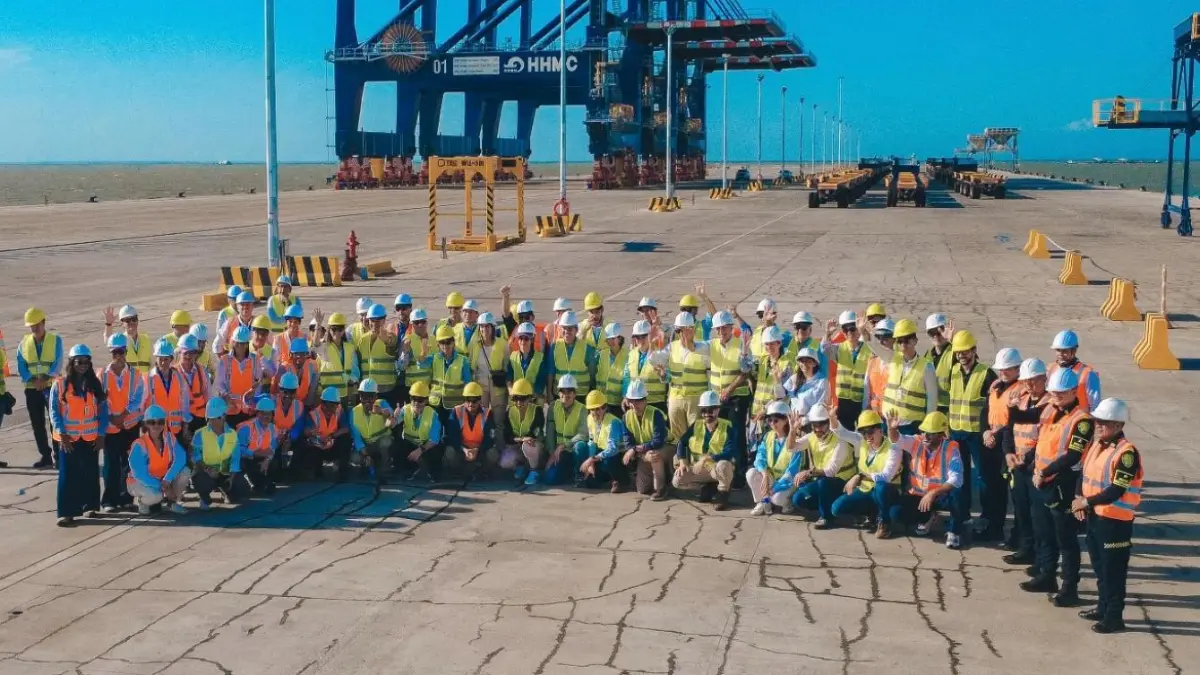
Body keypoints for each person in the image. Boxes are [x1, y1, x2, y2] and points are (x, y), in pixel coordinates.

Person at [1015, 367, 1092, 607]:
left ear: (1073, 391)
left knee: (1065, 539)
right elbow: (1032, 428)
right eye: (1054, 392)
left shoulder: (1082, 421)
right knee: (1043, 531)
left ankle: (1069, 588)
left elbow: (1073, 455)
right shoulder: (1049, 408)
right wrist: (1012, 407)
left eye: (1061, 393)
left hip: (1064, 482)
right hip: (1042, 481)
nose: (1056, 397)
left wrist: (1045, 472)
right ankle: (1047, 575)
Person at [1072, 398, 1143, 634]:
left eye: (1104, 422)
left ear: (1118, 425)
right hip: (1096, 517)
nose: (1098, 425)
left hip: (1115, 522)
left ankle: (1114, 617)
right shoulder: (1097, 445)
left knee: (1113, 573)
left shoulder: (1126, 453)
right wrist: (1078, 498)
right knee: (1100, 568)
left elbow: (1117, 489)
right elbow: (1083, 474)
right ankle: (1102, 608)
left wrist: (1086, 502)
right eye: (1097, 421)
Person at [946, 331, 1003, 541]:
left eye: (965, 351)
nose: (961, 355)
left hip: (977, 435)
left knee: (984, 478)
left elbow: (995, 405)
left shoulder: (986, 374)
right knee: (959, 477)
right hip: (956, 432)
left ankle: (987, 518)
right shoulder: (953, 371)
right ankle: (962, 515)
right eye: (958, 352)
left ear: (974, 351)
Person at [890, 410, 968, 549]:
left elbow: (956, 479)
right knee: (895, 513)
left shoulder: (951, 449)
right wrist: (892, 429)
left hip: (940, 496)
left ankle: (955, 531)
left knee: (958, 494)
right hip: (919, 495)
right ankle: (926, 518)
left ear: (941, 435)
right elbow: (897, 439)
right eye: (924, 431)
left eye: (930, 433)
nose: (925, 436)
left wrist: (933, 493)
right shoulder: (916, 441)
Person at [49, 345, 108, 527]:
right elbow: (54, 411)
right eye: (79, 361)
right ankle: (66, 513)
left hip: (90, 437)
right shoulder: (60, 385)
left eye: (86, 362)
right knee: (68, 474)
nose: (83, 365)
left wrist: (101, 435)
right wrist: (62, 433)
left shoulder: (94, 384)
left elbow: (103, 411)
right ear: (71, 363)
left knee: (90, 472)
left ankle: (90, 507)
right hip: (69, 438)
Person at [1003, 358, 1050, 567]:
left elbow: (1045, 439)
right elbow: (1009, 428)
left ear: (1044, 379)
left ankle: (1040, 556)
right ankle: (1026, 548)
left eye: (1034, 380)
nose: (1030, 385)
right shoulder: (1021, 401)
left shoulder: (1049, 404)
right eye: (1026, 381)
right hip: (1017, 465)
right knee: (1021, 509)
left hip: (1035, 467)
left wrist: (1026, 459)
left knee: (1038, 515)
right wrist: (1008, 453)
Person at [830, 410, 904, 538]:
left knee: (881, 487)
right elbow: (841, 432)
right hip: (867, 490)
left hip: (888, 492)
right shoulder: (862, 441)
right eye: (863, 432)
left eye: (870, 431)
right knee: (837, 508)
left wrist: (859, 476)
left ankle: (885, 523)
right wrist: (832, 417)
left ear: (880, 430)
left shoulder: (893, 448)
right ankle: (871, 513)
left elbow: (886, 477)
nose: (867, 436)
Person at [983, 348, 1026, 555]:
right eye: (1001, 369)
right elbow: (986, 412)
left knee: (1016, 494)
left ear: (1018, 369)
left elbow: (1014, 422)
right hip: (992, 445)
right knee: (995, 491)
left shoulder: (1021, 391)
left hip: (1009, 446)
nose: (1003, 373)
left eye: (1007, 369)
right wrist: (985, 432)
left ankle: (1018, 536)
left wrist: (995, 436)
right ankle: (994, 527)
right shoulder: (995, 388)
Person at [787, 403, 856, 528]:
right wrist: (792, 431)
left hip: (844, 483)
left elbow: (831, 471)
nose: (818, 428)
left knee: (824, 482)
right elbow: (791, 448)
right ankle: (827, 506)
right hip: (822, 481)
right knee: (799, 498)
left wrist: (808, 473)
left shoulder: (840, 440)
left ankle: (827, 517)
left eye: (821, 424)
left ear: (829, 423)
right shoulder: (812, 437)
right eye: (814, 425)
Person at [99, 334, 145, 513]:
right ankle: (109, 501)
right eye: (115, 353)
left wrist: (123, 415)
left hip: (129, 425)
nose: (118, 356)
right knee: (111, 465)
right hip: (111, 427)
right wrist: (111, 417)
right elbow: (99, 400)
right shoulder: (102, 375)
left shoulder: (135, 375)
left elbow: (137, 398)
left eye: (121, 352)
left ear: (126, 352)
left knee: (128, 464)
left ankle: (126, 498)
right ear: (111, 353)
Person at [673, 390, 736, 509]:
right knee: (678, 480)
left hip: (717, 469)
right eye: (704, 410)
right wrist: (682, 462)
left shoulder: (728, 427)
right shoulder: (696, 425)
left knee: (723, 465)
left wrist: (706, 458)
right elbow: (682, 442)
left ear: (718, 409)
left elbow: (729, 453)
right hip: (700, 469)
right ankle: (709, 488)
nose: (707, 414)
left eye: (711, 410)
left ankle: (723, 492)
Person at [18, 307, 64, 468]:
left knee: (55, 422)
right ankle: (45, 455)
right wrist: (32, 379)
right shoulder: (24, 343)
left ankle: (58, 456)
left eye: (36, 324)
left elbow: (58, 362)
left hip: (50, 387)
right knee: (37, 424)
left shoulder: (55, 340)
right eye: (31, 325)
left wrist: (46, 378)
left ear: (43, 322)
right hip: (32, 389)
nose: (34, 328)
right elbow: (21, 365)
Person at [875, 319, 937, 435]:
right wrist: (864, 333)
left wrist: (928, 427)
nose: (903, 344)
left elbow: (932, 401)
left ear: (915, 341)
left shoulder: (927, 367)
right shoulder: (892, 358)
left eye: (906, 340)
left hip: (911, 426)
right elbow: (876, 348)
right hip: (888, 422)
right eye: (899, 341)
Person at [127, 405, 191, 515]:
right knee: (156, 496)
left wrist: (167, 479)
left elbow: (181, 458)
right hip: (140, 482)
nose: (156, 425)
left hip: (162, 480)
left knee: (185, 471)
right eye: (152, 422)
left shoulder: (170, 438)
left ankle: (172, 503)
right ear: (146, 424)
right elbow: (139, 474)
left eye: (160, 422)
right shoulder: (140, 444)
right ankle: (143, 502)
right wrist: (163, 487)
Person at [708, 310, 753, 464]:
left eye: (724, 327)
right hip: (718, 399)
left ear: (731, 327)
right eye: (718, 328)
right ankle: (724, 468)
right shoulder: (712, 345)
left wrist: (729, 389)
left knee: (737, 434)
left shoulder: (741, 345)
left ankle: (740, 471)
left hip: (737, 398)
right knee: (721, 435)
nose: (721, 331)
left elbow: (746, 372)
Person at [191, 398, 246, 509]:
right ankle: (204, 497)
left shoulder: (232, 434)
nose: (213, 421)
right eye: (210, 418)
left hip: (225, 471)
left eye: (217, 418)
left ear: (223, 417)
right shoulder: (199, 434)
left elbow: (235, 459)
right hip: (207, 472)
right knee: (200, 479)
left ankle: (226, 491)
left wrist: (232, 477)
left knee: (241, 487)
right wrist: (207, 468)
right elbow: (195, 457)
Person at [746, 401, 799, 515]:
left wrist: (774, 489)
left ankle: (787, 503)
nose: (772, 423)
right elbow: (760, 457)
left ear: (786, 420)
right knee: (751, 473)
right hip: (771, 478)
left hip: (788, 482)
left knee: (777, 499)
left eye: (776, 420)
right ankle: (763, 502)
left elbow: (792, 472)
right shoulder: (768, 436)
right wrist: (764, 474)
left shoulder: (796, 441)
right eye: (769, 420)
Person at [622, 380, 671, 500]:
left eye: (639, 400)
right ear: (627, 401)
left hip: (667, 447)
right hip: (644, 451)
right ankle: (662, 476)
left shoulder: (656, 414)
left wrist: (637, 449)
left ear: (645, 400)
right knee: (642, 489)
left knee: (654, 455)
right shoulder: (626, 417)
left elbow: (658, 441)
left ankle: (661, 489)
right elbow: (628, 443)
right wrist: (641, 454)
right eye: (632, 401)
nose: (635, 404)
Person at [823, 311, 872, 430]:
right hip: (843, 403)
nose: (849, 332)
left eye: (852, 328)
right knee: (844, 434)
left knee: (863, 433)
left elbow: (875, 345)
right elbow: (824, 349)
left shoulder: (868, 348)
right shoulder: (840, 348)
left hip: (862, 401)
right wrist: (828, 334)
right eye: (845, 330)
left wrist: (864, 331)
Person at [666, 312, 709, 442]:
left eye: (685, 330)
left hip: (695, 400)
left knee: (696, 436)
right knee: (678, 437)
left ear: (692, 330)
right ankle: (680, 455)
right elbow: (655, 359)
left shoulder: (703, 348)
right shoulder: (672, 347)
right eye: (679, 331)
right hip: (676, 398)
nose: (681, 334)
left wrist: (691, 346)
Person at [395, 381, 446, 483]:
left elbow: (434, 440)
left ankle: (433, 473)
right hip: (410, 445)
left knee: (437, 450)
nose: (416, 403)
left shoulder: (433, 414)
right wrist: (392, 417)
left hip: (425, 447)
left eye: (420, 400)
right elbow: (391, 424)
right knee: (397, 446)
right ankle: (408, 471)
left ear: (426, 400)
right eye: (413, 399)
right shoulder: (404, 410)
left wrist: (420, 450)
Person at [579, 390, 629, 491]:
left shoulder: (613, 422)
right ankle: (607, 481)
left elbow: (613, 449)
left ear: (605, 407)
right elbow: (592, 442)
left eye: (597, 409)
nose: (594, 412)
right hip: (601, 454)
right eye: (592, 409)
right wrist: (591, 463)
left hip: (617, 457)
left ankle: (620, 481)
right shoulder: (590, 419)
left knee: (608, 461)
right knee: (590, 483)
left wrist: (593, 459)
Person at [350, 378, 395, 490]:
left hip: (380, 443)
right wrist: (366, 455)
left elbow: (391, 414)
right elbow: (357, 439)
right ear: (360, 397)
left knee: (385, 442)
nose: (367, 400)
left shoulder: (382, 403)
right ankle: (369, 464)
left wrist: (381, 412)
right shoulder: (354, 412)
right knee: (355, 457)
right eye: (363, 396)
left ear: (376, 396)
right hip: (366, 445)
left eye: (370, 396)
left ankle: (384, 470)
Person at [468, 312, 509, 436]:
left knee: (499, 421)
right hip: (480, 387)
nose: (484, 329)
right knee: (482, 420)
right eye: (481, 326)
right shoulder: (474, 344)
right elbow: (471, 365)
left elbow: (507, 366)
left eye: (487, 326)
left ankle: (499, 445)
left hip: (498, 387)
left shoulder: (502, 344)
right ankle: (484, 445)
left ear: (492, 327)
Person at [146, 340, 193, 443]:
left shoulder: (179, 378)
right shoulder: (148, 378)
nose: (163, 362)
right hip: (156, 430)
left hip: (175, 430)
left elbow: (185, 403)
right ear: (156, 358)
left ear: (171, 359)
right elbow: (143, 405)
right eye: (160, 359)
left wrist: (185, 425)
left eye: (166, 359)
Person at [445, 382, 495, 478]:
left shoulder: (488, 413)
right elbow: (452, 436)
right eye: (468, 400)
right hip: (461, 449)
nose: (471, 404)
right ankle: (458, 472)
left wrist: (478, 450)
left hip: (480, 450)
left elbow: (490, 438)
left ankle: (482, 472)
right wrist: (464, 450)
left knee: (493, 454)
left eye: (474, 400)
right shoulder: (456, 411)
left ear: (480, 400)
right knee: (449, 452)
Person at [544, 375, 588, 485]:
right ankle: (568, 472)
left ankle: (579, 474)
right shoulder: (553, 406)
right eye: (562, 391)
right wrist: (552, 453)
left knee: (581, 446)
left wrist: (564, 445)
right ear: (558, 393)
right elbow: (550, 432)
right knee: (549, 479)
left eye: (569, 391)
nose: (565, 394)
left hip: (574, 450)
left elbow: (583, 434)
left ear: (575, 394)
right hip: (560, 452)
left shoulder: (582, 409)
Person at [215, 326, 262, 428]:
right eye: (237, 343)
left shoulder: (255, 360)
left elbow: (258, 383)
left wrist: (255, 401)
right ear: (233, 343)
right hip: (229, 410)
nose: (240, 346)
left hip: (248, 409)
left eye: (243, 343)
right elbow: (219, 384)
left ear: (247, 344)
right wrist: (226, 397)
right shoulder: (224, 360)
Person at [500, 378, 544, 485]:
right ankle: (522, 466)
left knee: (528, 444)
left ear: (529, 398)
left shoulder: (537, 410)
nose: (519, 402)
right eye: (515, 398)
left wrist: (524, 440)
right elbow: (506, 436)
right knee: (505, 462)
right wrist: (521, 439)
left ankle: (534, 471)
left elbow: (535, 434)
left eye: (523, 398)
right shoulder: (509, 411)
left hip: (535, 446)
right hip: (518, 444)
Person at [301, 387, 352, 481]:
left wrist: (332, 436)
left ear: (337, 405)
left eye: (333, 406)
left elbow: (346, 429)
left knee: (346, 439)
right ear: (322, 404)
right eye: (326, 406)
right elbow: (305, 431)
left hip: (332, 445)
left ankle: (343, 472)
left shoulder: (339, 410)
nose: (329, 409)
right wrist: (311, 432)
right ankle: (316, 470)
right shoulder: (313, 414)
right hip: (318, 448)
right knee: (307, 445)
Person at [357, 303, 400, 406]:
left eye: (378, 320)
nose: (375, 323)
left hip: (386, 390)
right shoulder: (363, 339)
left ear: (384, 320)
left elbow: (392, 345)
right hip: (368, 390)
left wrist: (387, 341)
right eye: (372, 320)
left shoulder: (390, 337)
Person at [749, 326, 792, 427]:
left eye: (772, 343)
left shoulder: (786, 365)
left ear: (779, 343)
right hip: (757, 413)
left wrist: (765, 410)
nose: (769, 347)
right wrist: (745, 353)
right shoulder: (762, 361)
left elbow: (783, 395)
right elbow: (748, 371)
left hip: (774, 416)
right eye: (766, 344)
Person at [1049, 330, 1101, 412]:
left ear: (1074, 350)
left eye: (1065, 351)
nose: (1060, 354)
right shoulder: (1051, 369)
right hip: (1056, 417)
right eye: (1058, 350)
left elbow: (1095, 404)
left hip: (1079, 418)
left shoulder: (1088, 374)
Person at [315, 312, 360, 407]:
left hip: (344, 395)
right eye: (334, 329)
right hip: (327, 397)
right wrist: (318, 325)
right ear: (329, 330)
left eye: (340, 329)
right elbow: (316, 345)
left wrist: (351, 378)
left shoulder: (349, 348)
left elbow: (355, 371)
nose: (337, 332)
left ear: (344, 330)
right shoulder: (324, 348)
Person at [237, 397, 280, 495]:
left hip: (261, 460)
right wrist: (254, 453)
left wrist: (267, 461)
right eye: (263, 413)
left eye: (269, 414)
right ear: (257, 414)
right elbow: (238, 449)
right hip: (246, 460)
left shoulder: (273, 429)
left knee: (274, 465)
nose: (266, 416)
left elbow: (272, 449)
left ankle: (260, 482)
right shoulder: (246, 428)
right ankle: (245, 480)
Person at [430, 325, 472, 422]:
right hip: (436, 404)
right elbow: (421, 364)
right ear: (438, 344)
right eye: (442, 342)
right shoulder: (434, 358)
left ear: (453, 342)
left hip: (455, 406)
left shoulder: (463, 361)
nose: (445, 346)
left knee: (452, 430)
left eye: (448, 342)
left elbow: (468, 384)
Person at [623, 320, 668, 413]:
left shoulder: (659, 353)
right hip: (635, 402)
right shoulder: (631, 354)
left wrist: (663, 376)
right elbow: (627, 377)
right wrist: (626, 395)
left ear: (650, 336)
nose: (640, 340)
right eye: (637, 337)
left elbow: (668, 377)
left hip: (656, 402)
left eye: (643, 336)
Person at [175, 335, 211, 436]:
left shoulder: (202, 370)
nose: (188, 356)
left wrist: (210, 417)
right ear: (179, 352)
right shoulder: (173, 373)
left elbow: (208, 394)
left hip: (201, 419)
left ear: (196, 354)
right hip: (181, 420)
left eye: (192, 353)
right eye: (185, 353)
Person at [102, 304, 153, 373]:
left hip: (144, 379)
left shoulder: (145, 339)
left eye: (134, 319)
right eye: (127, 320)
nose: (131, 322)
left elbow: (151, 363)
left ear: (137, 320)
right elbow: (108, 341)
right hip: (128, 378)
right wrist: (108, 324)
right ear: (122, 323)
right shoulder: (120, 340)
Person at [273, 372, 307, 475]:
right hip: (274, 439)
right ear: (279, 390)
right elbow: (249, 401)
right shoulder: (271, 401)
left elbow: (299, 426)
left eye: (292, 392)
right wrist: (279, 437)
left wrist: (290, 438)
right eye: (285, 392)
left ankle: (294, 472)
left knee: (302, 443)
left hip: (289, 439)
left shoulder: (299, 406)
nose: (288, 395)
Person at [273, 338, 320, 410]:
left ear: (307, 355)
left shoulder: (313, 366)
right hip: (284, 405)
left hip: (304, 405)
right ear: (291, 355)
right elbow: (279, 394)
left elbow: (312, 391)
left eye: (302, 355)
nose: (299, 358)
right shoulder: (284, 368)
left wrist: (306, 408)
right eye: (296, 355)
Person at [507, 323, 547, 404]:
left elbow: (541, 381)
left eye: (526, 339)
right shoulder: (512, 356)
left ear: (532, 340)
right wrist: (511, 391)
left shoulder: (540, 358)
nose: (522, 342)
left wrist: (528, 397)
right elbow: (509, 378)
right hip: (517, 396)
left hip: (533, 397)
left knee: (540, 402)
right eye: (520, 338)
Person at [782, 347, 828, 419]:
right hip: (793, 421)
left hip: (812, 422)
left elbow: (821, 406)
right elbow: (782, 397)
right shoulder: (794, 378)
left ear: (815, 363)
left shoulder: (822, 382)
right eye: (801, 361)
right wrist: (777, 381)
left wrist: (803, 420)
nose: (804, 364)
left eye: (808, 361)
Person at [401, 308, 434, 405]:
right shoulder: (407, 341)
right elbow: (401, 367)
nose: (420, 325)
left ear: (426, 322)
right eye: (417, 322)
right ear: (411, 324)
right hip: (412, 388)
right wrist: (405, 352)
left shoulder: (434, 340)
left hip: (428, 387)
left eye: (423, 322)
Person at [924, 314, 955, 413]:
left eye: (940, 331)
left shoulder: (954, 353)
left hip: (948, 411)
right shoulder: (927, 356)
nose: (936, 336)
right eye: (932, 332)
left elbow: (967, 359)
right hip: (931, 409)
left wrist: (952, 341)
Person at [595, 323, 628, 417]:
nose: (612, 341)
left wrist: (625, 396)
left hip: (619, 404)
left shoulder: (628, 355)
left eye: (614, 338)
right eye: (609, 339)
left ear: (620, 339)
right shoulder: (602, 355)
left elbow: (628, 379)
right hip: (602, 402)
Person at [864, 319, 895, 415]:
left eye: (885, 337)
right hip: (875, 413)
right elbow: (867, 388)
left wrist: (863, 332)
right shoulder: (872, 361)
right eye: (878, 337)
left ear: (895, 339)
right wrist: (865, 409)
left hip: (891, 414)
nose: (881, 341)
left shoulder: (897, 360)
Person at [213, 291, 258, 356]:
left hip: (255, 360)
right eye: (242, 304)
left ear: (252, 306)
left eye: (248, 304)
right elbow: (217, 344)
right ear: (237, 307)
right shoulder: (230, 322)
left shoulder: (258, 322)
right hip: (235, 360)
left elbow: (271, 343)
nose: (245, 307)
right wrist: (223, 359)